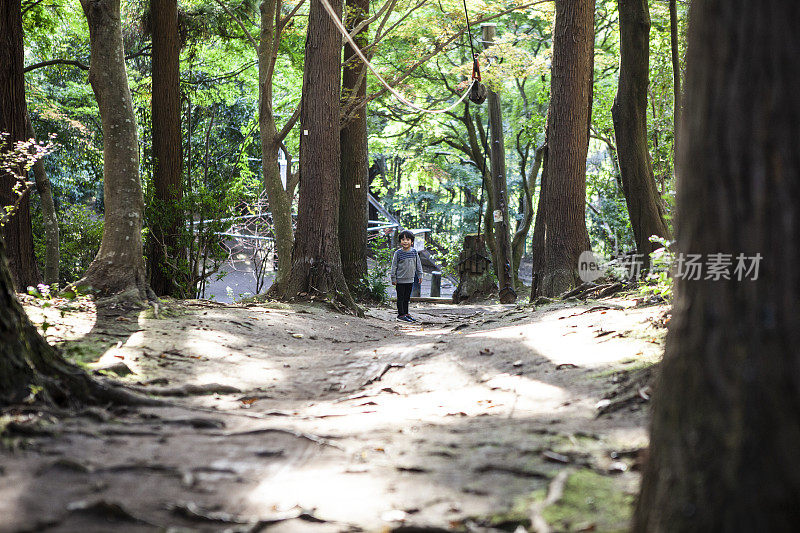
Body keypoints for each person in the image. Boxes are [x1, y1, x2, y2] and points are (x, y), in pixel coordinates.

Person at [390, 230, 423, 323]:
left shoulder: (414, 252)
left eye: (407, 239)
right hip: (400, 280)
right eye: (403, 239)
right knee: (400, 298)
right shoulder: (398, 253)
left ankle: (406, 313)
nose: (405, 241)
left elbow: (418, 265)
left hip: (410, 280)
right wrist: (393, 278)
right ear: (400, 241)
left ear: (412, 242)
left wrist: (420, 275)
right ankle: (400, 315)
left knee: (407, 298)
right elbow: (394, 266)